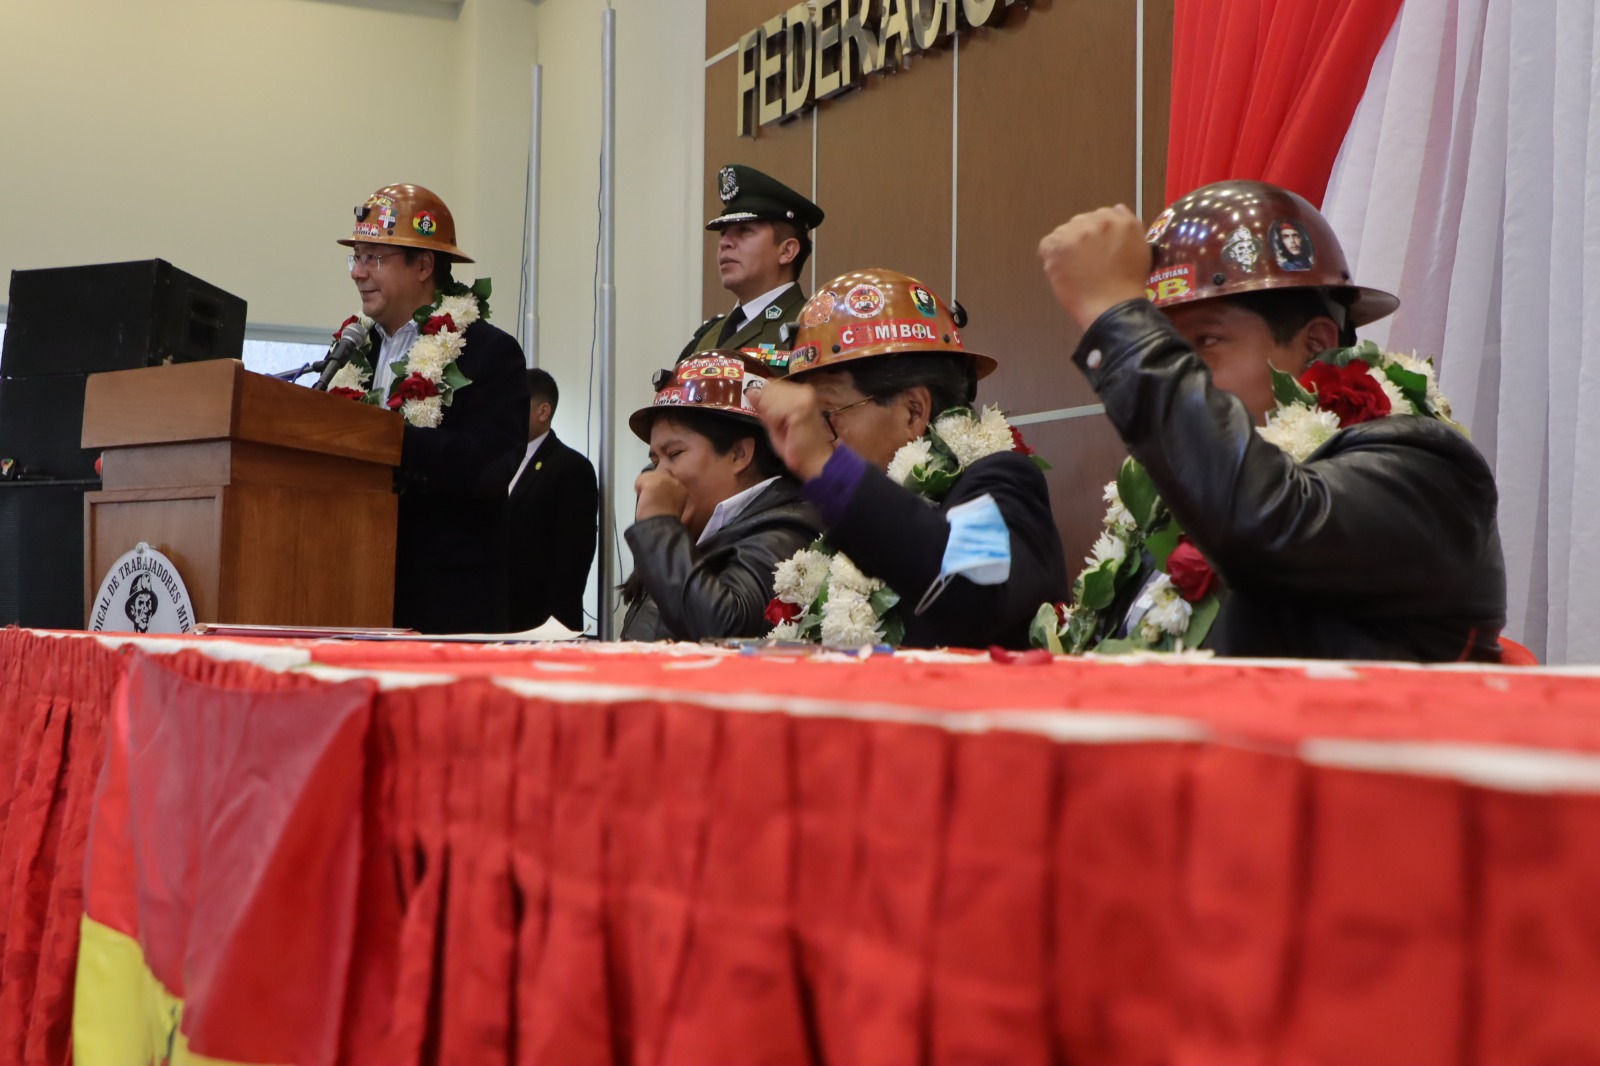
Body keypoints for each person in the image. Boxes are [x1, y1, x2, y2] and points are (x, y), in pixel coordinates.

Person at [1036, 179, 1506, 660]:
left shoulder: (1426, 470)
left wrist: (1115, 317)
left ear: (1316, 345)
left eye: (1204, 342)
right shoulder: (1179, 505)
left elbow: (1264, 522)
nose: (1184, 371)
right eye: (1170, 347)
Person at [752, 269, 1070, 649]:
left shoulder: (998, 483)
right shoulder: (850, 520)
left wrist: (829, 470)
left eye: (828, 413)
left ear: (913, 412)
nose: (817, 433)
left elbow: (971, 594)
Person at [336, 183, 530, 633]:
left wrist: (381, 438)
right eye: (357, 257)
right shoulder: (352, 352)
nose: (358, 273)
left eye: (373, 258)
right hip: (351, 583)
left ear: (423, 265)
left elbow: (490, 466)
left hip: (444, 605)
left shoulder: (487, 351)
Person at [621, 352, 820, 641]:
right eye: (655, 460)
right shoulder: (698, 526)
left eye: (674, 454)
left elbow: (724, 629)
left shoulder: (787, 528)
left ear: (739, 453)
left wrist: (659, 526)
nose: (656, 476)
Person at [678, 165, 824, 367]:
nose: (725, 242)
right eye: (724, 233)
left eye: (745, 230)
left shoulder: (814, 328)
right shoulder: (708, 335)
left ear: (787, 251)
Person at [503, 368, 597, 632]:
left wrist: (555, 627)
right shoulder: (496, 460)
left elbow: (573, 558)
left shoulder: (571, 468)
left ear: (543, 412)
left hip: (541, 623)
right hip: (494, 616)